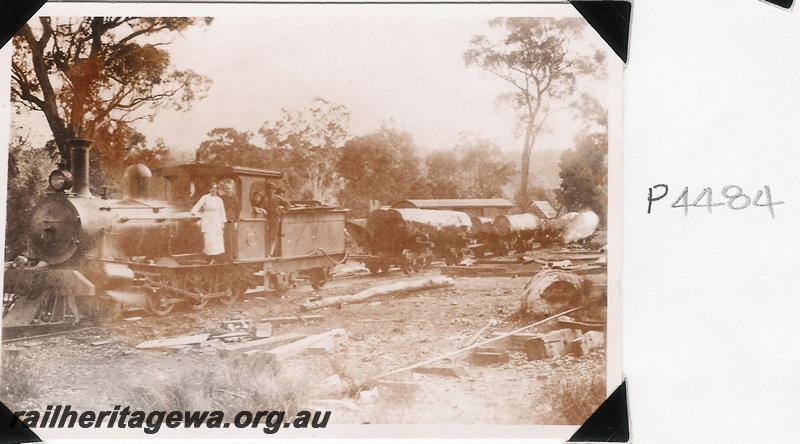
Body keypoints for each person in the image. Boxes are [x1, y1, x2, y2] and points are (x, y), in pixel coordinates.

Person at [191, 182, 226, 263]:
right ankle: (209, 256)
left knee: (217, 238)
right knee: (208, 237)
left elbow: (222, 211)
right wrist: (194, 213)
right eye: (212, 188)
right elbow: (197, 206)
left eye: (215, 188)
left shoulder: (219, 200)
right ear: (210, 189)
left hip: (217, 219)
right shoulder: (205, 197)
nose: (214, 190)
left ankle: (216, 257)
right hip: (208, 219)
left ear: (217, 190)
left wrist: (223, 222)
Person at [254, 182, 292, 256]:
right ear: (266, 190)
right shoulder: (263, 198)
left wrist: (282, 212)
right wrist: (260, 209)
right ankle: (265, 253)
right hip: (266, 219)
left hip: (275, 219)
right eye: (268, 189)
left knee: (273, 236)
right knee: (265, 236)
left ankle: (270, 254)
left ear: (274, 190)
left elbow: (288, 204)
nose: (270, 191)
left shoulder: (277, 198)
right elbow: (259, 207)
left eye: (272, 189)